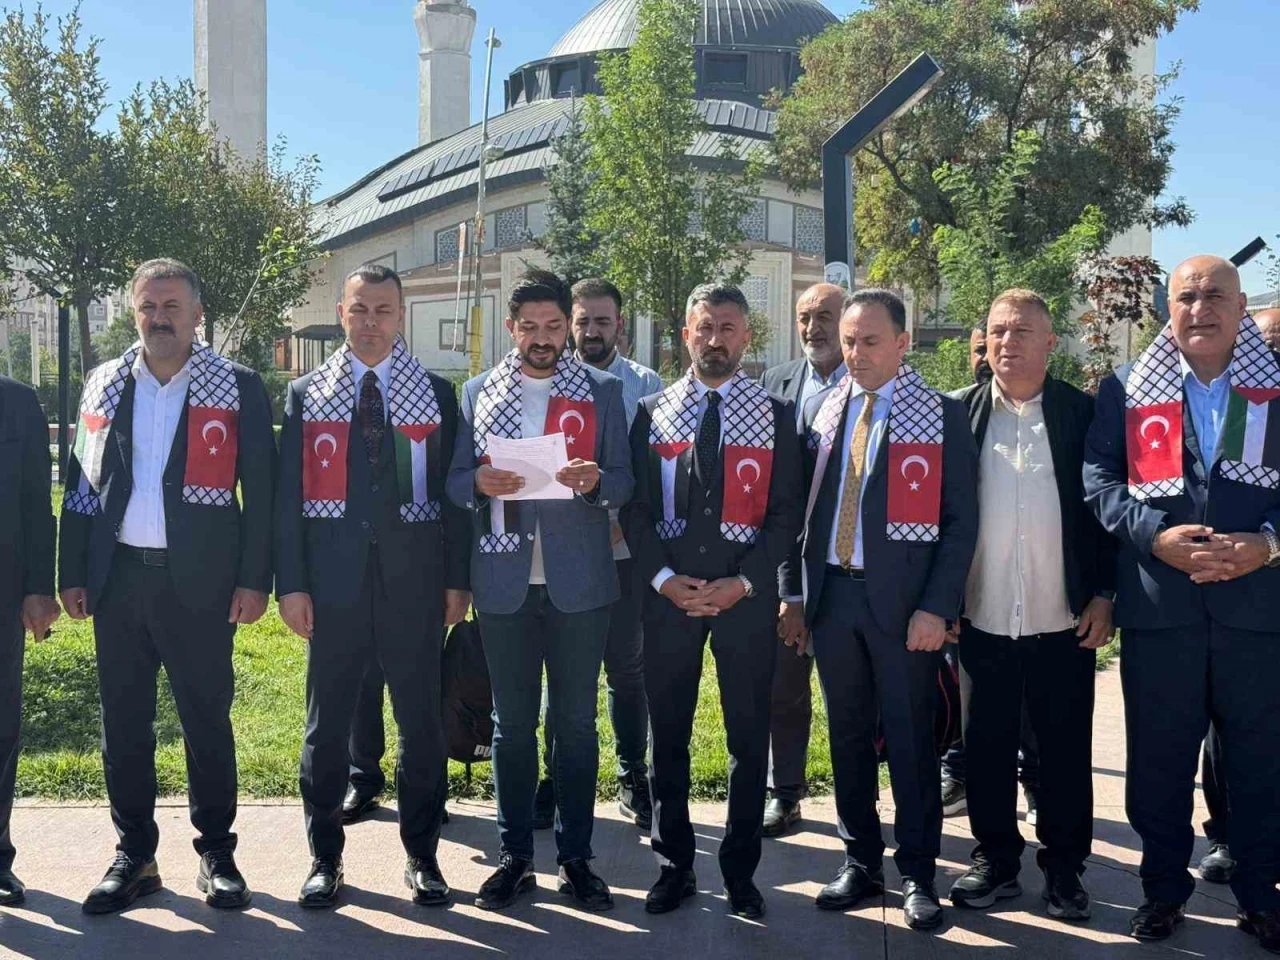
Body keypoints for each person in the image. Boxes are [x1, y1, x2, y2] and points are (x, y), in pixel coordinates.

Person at [59, 258, 275, 914]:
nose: (159, 318)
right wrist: (72, 572)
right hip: (119, 580)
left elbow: (261, 495)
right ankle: (135, 855)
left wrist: (254, 580)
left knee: (206, 720)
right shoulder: (105, 383)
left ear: (197, 314)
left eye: (172, 306)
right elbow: (81, 483)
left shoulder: (236, 386)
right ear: (134, 312)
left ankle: (217, 853)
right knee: (124, 724)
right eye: (148, 307)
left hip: (202, 584)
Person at [1084, 255, 1280, 952]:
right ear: (1168, 309)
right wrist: (1153, 536)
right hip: (1161, 613)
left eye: (1216, 295)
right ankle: (1163, 892)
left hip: (1256, 616)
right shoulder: (1127, 388)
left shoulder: (1275, 388)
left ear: (1240, 306)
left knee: (1260, 766)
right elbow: (1100, 479)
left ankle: (1261, 898)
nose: (1201, 309)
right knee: (1159, 767)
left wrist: (1269, 544)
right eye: (1187, 296)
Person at [276, 263, 470, 908]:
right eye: (359, 309)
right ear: (341, 313)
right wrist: (291, 585)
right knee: (326, 728)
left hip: (414, 587)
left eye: (383, 310)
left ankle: (423, 856)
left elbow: (455, 500)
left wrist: (457, 580)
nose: (370, 323)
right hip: (332, 588)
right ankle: (324, 858)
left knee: (421, 726)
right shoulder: (307, 394)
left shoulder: (436, 395)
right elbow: (287, 499)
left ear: (401, 316)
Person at [783, 288, 977, 931]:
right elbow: (796, 512)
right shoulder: (823, 412)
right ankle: (860, 861)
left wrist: (935, 607)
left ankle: (918, 872)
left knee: (912, 738)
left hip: (903, 609)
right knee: (846, 736)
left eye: (869, 341)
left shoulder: (939, 415)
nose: (855, 353)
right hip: (834, 599)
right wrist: (794, 594)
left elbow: (960, 523)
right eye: (848, 341)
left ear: (902, 342)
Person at [447, 268, 632, 912]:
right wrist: (477, 483)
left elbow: (626, 480)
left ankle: (577, 859)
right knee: (512, 724)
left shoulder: (603, 391)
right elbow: (452, 482)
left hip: (580, 584)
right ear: (511, 327)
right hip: (505, 582)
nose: (543, 338)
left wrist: (596, 481)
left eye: (554, 326)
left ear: (567, 327)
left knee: (575, 724)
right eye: (530, 327)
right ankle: (516, 857)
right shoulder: (478, 392)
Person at [623, 283, 802, 920]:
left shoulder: (776, 415)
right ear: (686, 334)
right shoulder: (652, 411)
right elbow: (636, 510)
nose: (715, 339)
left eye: (728, 328)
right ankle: (673, 865)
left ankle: (741, 871)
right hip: (670, 601)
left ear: (746, 336)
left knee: (748, 739)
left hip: (744, 602)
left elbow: (786, 515)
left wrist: (745, 582)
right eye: (705, 327)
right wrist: (663, 579)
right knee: (667, 735)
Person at [947, 289, 1115, 922]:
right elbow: (937, 515)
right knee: (985, 748)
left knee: (1064, 752)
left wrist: (1105, 594)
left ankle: (1066, 870)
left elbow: (1106, 513)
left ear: (1050, 342)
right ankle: (995, 859)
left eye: (1021, 332)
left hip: (1062, 617)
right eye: (997, 331)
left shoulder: (1083, 415)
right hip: (981, 613)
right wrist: (941, 599)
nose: (1006, 342)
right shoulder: (957, 413)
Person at [532, 278, 663, 832]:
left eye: (601, 321)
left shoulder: (646, 386)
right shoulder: (542, 381)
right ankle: (554, 778)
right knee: (561, 674)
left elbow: (650, 475)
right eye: (582, 321)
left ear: (620, 326)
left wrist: (616, 525)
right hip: (562, 553)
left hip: (623, 550)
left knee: (626, 668)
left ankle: (633, 776)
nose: (590, 331)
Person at [759, 282, 846, 838]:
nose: (813, 328)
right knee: (783, 688)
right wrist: (787, 587)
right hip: (787, 564)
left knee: (850, 695)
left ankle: (857, 804)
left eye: (825, 317)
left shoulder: (870, 383)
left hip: (847, 568)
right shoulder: (777, 383)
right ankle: (785, 793)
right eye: (805, 317)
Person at [0, 377, 58, 906]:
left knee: (1, 727)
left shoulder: (17, 403)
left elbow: (39, 504)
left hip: (4, 593)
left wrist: (41, 589)